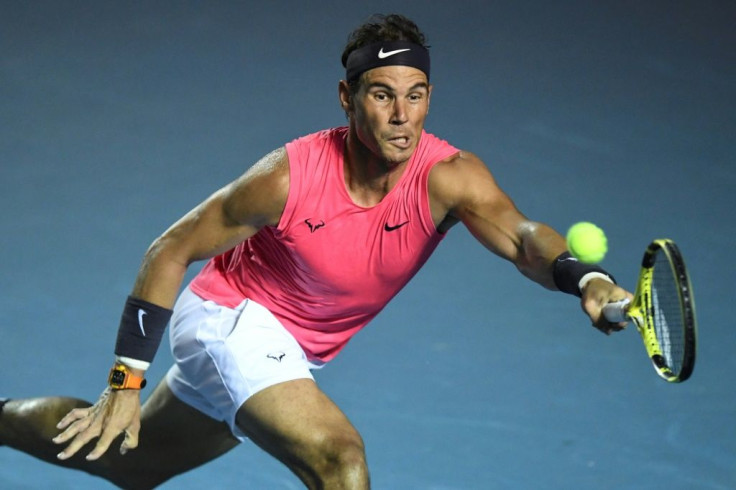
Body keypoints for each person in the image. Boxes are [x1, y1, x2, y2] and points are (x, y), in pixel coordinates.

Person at [0, 13, 632, 489]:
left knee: (129, 462)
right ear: (347, 97)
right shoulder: (286, 178)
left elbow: (522, 238)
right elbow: (170, 249)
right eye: (382, 94)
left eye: (416, 94)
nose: (401, 115)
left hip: (293, 349)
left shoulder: (450, 177)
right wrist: (125, 379)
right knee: (340, 460)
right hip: (228, 320)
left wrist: (586, 279)